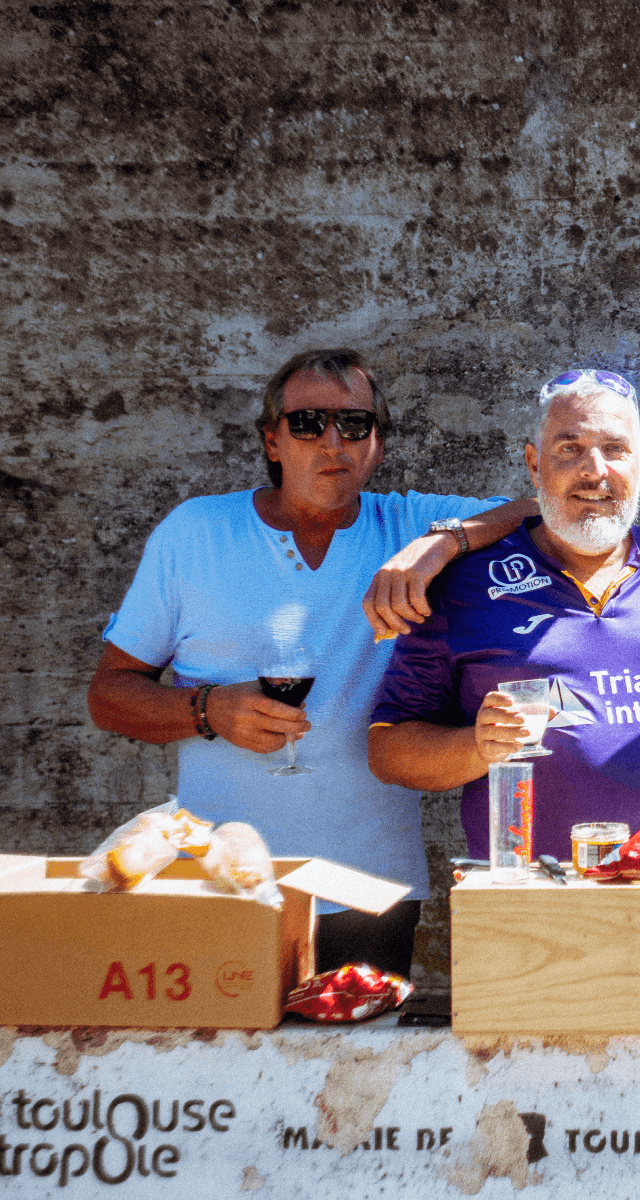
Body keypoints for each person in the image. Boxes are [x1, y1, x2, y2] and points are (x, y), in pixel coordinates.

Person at [87, 348, 537, 977]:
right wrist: (208, 709)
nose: (333, 442)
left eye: (355, 425)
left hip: (371, 887)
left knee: (358, 1070)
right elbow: (109, 693)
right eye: (307, 424)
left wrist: (440, 542)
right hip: (225, 886)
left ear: (376, 445)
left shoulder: (405, 523)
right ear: (272, 441)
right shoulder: (194, 534)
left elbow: (537, 508)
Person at [367, 368, 640, 981]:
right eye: (570, 449)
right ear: (533, 466)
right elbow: (388, 750)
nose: (594, 470)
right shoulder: (467, 584)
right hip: (525, 934)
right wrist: (474, 748)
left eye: (614, 449)